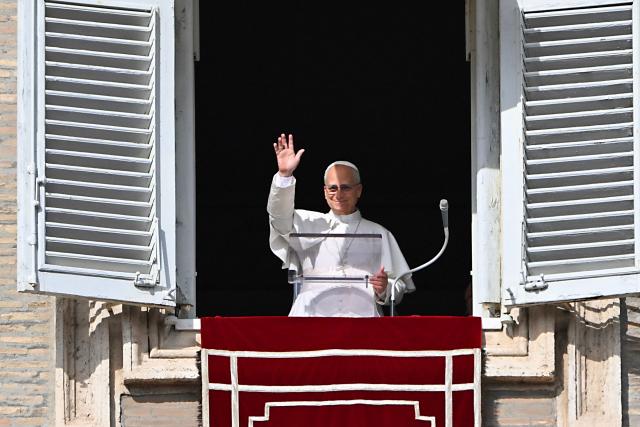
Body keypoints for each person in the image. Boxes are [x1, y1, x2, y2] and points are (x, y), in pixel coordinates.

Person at [267, 133, 415, 316]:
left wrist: (385, 287)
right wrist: (284, 175)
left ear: (358, 190)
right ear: (324, 191)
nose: (338, 194)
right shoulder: (307, 223)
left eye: (345, 187)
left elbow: (399, 285)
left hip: (363, 321)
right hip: (311, 318)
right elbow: (278, 218)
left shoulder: (379, 232)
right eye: (333, 188)